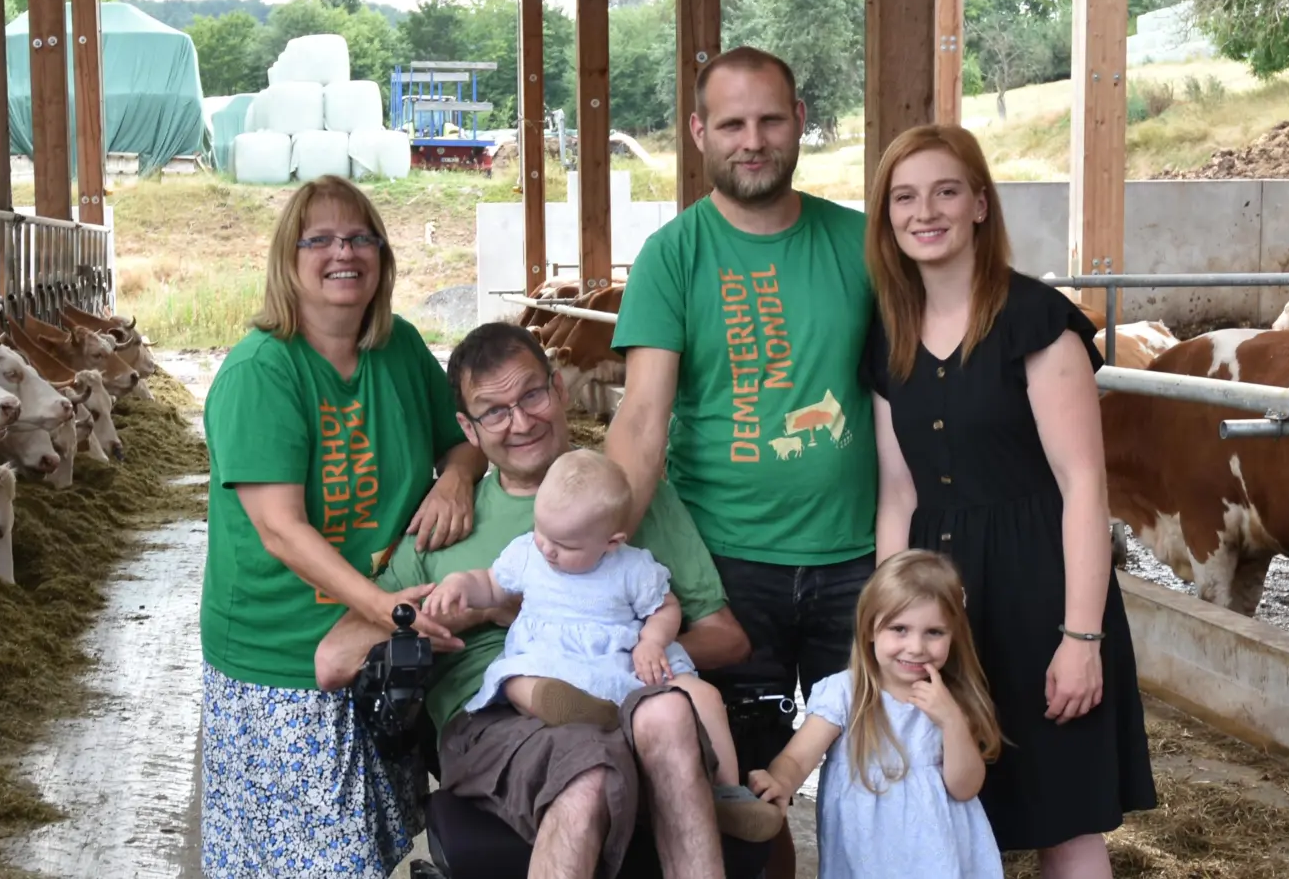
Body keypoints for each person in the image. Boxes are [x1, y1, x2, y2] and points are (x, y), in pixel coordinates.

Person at [314, 321, 760, 879]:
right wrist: (460, 617)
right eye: (494, 411)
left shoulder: (624, 497)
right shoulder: (441, 525)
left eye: (531, 395)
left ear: (560, 388)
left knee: (659, 720)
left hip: (630, 696)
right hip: (497, 720)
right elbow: (334, 660)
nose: (521, 422)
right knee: (587, 769)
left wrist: (631, 654)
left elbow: (726, 636)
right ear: (468, 430)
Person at [606, 45, 876, 875]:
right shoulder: (674, 255)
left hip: (859, 561)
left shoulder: (863, 245)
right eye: (731, 123)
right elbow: (643, 420)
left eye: (769, 119)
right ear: (698, 132)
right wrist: (599, 548)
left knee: (880, 773)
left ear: (799, 121)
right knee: (743, 798)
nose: (751, 140)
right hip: (725, 568)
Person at [861, 123, 1157, 878]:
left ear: (980, 205)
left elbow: (1084, 485)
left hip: (1039, 591)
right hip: (941, 604)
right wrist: (890, 630)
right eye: (905, 197)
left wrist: (1080, 637)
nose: (925, 211)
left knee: (1063, 814)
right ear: (887, 216)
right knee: (939, 800)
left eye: (946, 191)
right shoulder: (888, 335)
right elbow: (898, 492)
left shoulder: (1037, 321)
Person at [197, 174, 489, 878]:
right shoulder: (262, 371)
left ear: (383, 258)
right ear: (287, 260)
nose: (344, 253)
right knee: (318, 860)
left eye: (361, 238)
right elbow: (281, 531)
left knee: (371, 846)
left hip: (376, 641)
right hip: (285, 656)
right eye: (320, 239)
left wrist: (456, 474)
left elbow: (467, 435)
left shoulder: (399, 350)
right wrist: (390, 612)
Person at [425, 447, 785, 843]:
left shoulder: (632, 567)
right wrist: (460, 585)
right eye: (542, 531)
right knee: (515, 679)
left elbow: (665, 606)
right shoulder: (529, 552)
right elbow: (491, 584)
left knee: (704, 696)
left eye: (564, 544)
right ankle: (570, 709)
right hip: (553, 661)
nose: (547, 548)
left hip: (622, 664)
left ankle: (724, 794)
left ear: (611, 542)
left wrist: (652, 640)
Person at [747, 549, 1006, 879]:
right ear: (869, 629)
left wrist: (952, 722)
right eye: (899, 629)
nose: (915, 647)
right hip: (867, 854)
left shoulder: (950, 700)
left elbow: (965, 788)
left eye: (934, 632)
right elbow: (799, 758)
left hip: (938, 858)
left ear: (954, 635)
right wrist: (780, 781)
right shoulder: (845, 693)